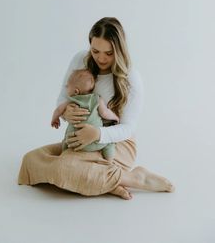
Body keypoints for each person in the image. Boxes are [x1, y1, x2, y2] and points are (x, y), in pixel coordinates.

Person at [18, 17, 175, 200]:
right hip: (81, 140)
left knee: (63, 169)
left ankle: (135, 177)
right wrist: (66, 113)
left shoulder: (131, 77)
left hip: (115, 143)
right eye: (95, 51)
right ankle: (111, 183)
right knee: (30, 160)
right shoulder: (79, 60)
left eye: (109, 53)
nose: (101, 58)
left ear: (119, 50)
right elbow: (63, 95)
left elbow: (128, 128)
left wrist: (97, 134)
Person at [52, 68, 119, 160]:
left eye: (67, 86)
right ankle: (109, 160)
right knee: (109, 143)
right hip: (95, 143)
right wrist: (115, 117)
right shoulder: (96, 98)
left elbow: (58, 110)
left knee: (65, 141)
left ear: (76, 91)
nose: (66, 88)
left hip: (73, 142)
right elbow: (104, 113)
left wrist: (55, 119)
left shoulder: (70, 101)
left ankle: (64, 153)